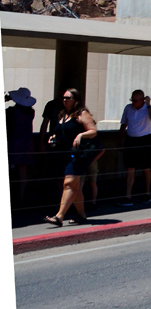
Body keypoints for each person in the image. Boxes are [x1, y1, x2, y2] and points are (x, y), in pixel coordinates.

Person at [44, 89, 98, 226]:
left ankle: (59, 216)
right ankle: (82, 215)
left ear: (75, 100)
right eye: (63, 98)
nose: (65, 100)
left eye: (68, 98)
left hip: (78, 155)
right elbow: (60, 132)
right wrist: (53, 138)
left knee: (68, 184)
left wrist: (81, 135)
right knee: (76, 188)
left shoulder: (82, 114)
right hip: (65, 154)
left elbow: (93, 131)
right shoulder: (63, 115)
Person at [119, 89, 151, 206]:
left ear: (142, 100)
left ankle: (147, 193)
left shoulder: (148, 109)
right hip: (131, 140)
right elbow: (123, 124)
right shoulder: (128, 108)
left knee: (146, 167)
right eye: (132, 100)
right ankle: (128, 196)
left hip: (144, 140)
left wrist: (148, 105)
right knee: (130, 168)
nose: (133, 103)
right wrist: (120, 139)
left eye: (136, 100)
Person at [6, 87, 36, 204]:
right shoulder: (31, 112)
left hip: (14, 142)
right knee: (23, 171)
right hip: (27, 143)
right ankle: (21, 196)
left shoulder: (11, 111)